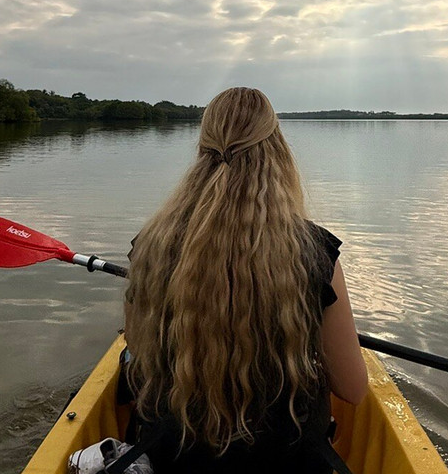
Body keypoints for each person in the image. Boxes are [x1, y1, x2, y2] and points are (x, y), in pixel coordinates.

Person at [121, 87, 367, 473]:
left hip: (176, 459)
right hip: (286, 462)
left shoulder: (151, 245)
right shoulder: (315, 251)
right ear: (276, 150)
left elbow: (136, 345)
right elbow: (352, 389)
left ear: (202, 148)